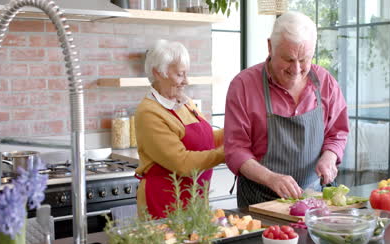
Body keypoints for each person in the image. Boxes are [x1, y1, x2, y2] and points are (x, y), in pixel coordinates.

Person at [224, 11, 349, 207]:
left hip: (313, 199)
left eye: (304, 59)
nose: (297, 69)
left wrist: (329, 156)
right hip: (260, 201)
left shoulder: (325, 82)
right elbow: (235, 150)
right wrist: (270, 178)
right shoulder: (243, 86)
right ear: (270, 47)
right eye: (289, 59)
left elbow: (337, 132)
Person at [134, 39, 225, 218]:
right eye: (180, 75)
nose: (186, 81)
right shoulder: (149, 112)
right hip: (164, 203)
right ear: (158, 73)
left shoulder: (185, 103)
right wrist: (225, 154)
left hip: (194, 199)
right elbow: (182, 162)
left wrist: (235, 131)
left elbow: (206, 140)